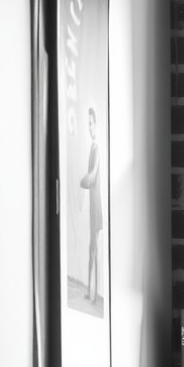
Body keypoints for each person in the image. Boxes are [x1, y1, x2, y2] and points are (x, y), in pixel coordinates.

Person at [80, 106, 103, 306]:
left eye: (90, 124)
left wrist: (83, 180)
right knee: (91, 248)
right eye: (87, 124)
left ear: (96, 124)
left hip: (96, 205)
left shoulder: (96, 148)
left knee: (93, 247)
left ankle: (92, 292)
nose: (89, 128)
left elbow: (93, 174)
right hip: (94, 204)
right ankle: (91, 291)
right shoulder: (93, 147)